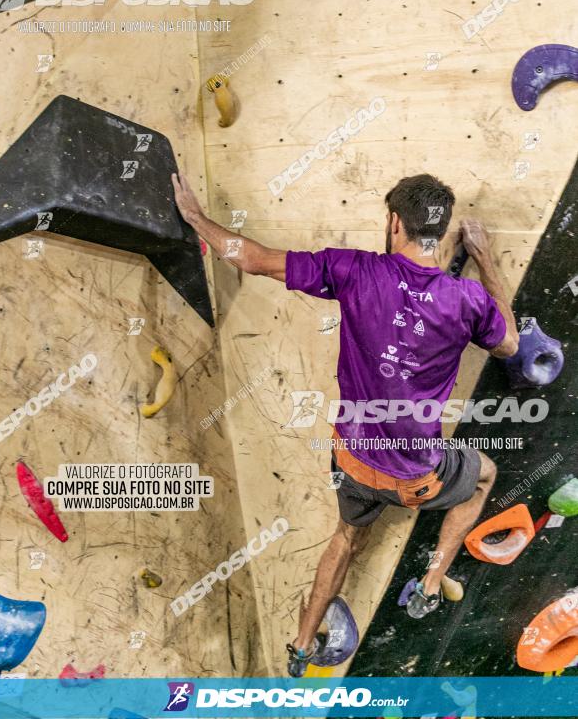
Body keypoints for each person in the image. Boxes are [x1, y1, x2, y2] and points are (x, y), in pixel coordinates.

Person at [171, 171, 519, 677]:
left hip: (352, 462)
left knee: (346, 537)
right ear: (439, 234)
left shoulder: (355, 271)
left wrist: (196, 217)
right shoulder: (465, 301)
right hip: (415, 479)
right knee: (482, 474)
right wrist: (484, 259)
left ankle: (301, 644)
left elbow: (251, 258)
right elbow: (508, 343)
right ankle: (427, 586)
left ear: (394, 222)